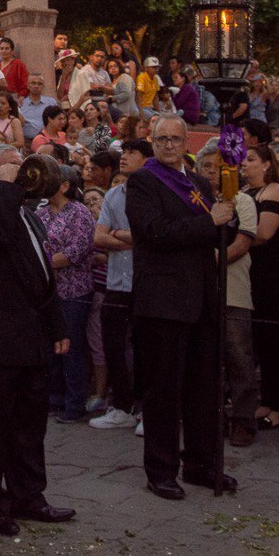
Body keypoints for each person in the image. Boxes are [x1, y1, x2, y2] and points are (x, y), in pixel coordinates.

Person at [0, 145, 74, 535]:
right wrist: (3, 191)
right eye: (13, 165)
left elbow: (42, 275)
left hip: (31, 338)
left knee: (29, 424)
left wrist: (57, 326)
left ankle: (29, 496)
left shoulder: (29, 214)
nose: (24, 170)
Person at [128, 115, 237, 499]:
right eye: (162, 139)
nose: (169, 145)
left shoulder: (199, 183)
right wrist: (211, 221)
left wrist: (230, 215)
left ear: (187, 141)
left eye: (176, 139)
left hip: (202, 300)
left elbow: (222, 233)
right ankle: (160, 470)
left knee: (203, 390)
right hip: (163, 302)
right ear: (152, 141)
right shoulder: (143, 181)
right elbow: (156, 232)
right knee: (164, 391)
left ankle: (201, 464)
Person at [194, 142, 258, 448]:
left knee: (239, 357)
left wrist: (206, 261)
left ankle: (244, 419)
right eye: (206, 167)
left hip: (233, 291)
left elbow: (243, 242)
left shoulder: (242, 201)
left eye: (217, 167)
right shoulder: (194, 200)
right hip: (199, 293)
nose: (212, 173)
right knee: (206, 359)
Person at [91, 139, 150, 431]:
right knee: (112, 344)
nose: (124, 158)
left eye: (131, 153)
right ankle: (122, 405)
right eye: (123, 153)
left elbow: (152, 237)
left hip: (144, 282)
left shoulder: (153, 194)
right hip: (116, 282)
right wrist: (126, 236)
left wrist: (120, 236)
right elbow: (99, 237)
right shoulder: (114, 195)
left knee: (145, 346)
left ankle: (145, 408)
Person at [241, 142, 279, 434]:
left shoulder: (273, 191)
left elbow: (262, 233)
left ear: (266, 164)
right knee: (259, 341)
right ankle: (265, 399)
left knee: (274, 342)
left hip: (271, 276)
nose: (244, 164)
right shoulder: (244, 192)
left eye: (251, 159)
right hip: (250, 275)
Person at [36, 173, 96, 424]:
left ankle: (74, 404)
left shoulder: (79, 213)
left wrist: (44, 263)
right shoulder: (41, 212)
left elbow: (77, 250)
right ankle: (54, 399)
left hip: (74, 290)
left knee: (71, 347)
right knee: (50, 348)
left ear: (64, 185)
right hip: (49, 291)